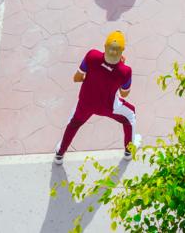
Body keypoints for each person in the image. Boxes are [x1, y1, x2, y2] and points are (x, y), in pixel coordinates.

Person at [53, 32, 138, 164]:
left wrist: (90, 78)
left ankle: (60, 154)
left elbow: (76, 78)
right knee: (130, 115)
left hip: (85, 102)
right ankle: (128, 151)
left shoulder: (92, 56)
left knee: (74, 124)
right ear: (122, 51)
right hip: (109, 107)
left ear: (104, 46)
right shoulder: (125, 71)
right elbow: (124, 94)